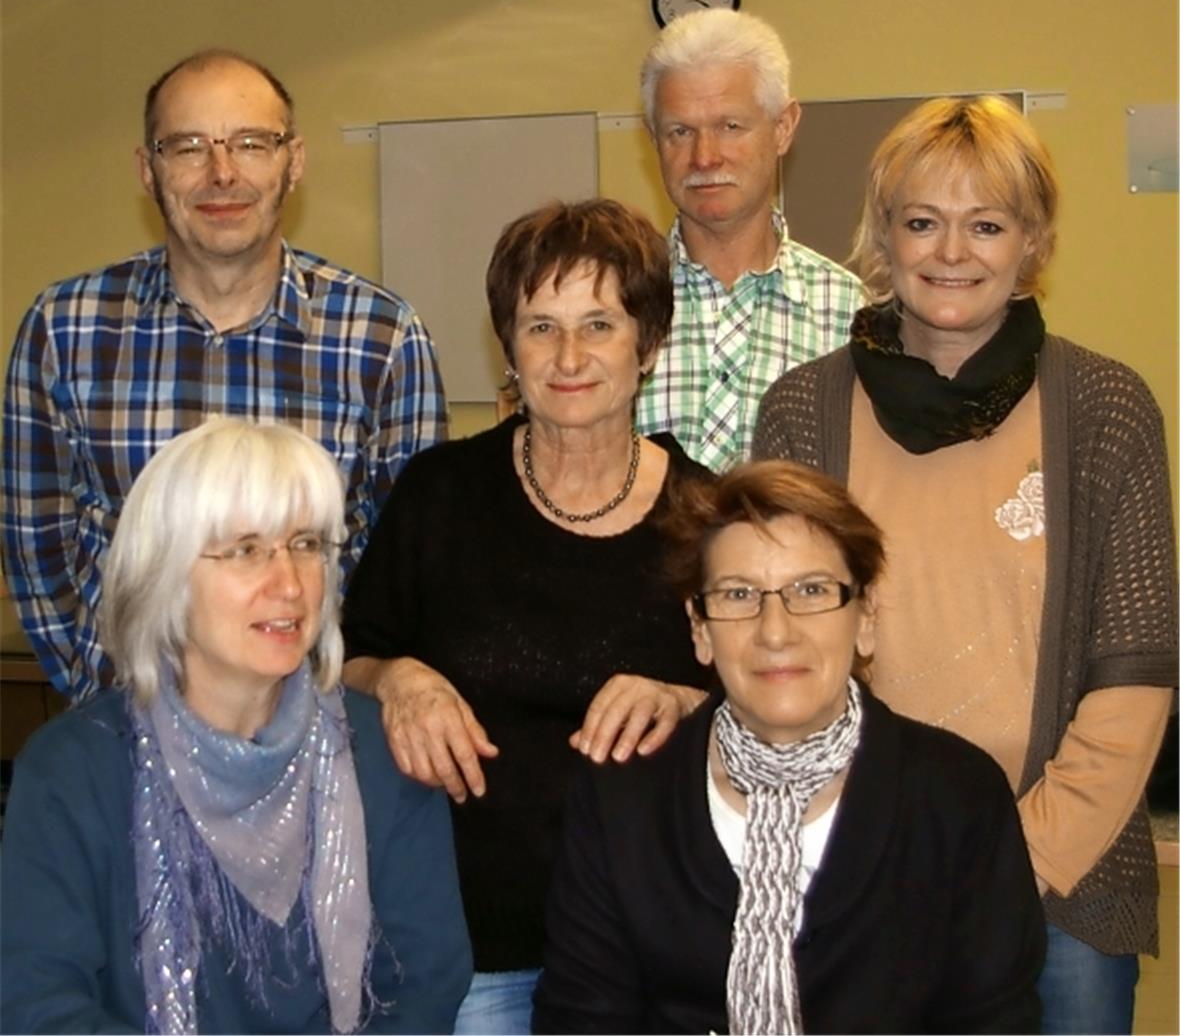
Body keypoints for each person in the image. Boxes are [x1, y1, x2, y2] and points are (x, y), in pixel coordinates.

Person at [752, 95, 1178, 1034]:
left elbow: (1138, 666)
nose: (952, 252)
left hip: (1063, 883)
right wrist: (865, 851)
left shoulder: (1106, 408)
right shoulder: (800, 414)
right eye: (922, 222)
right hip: (856, 874)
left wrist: (1004, 859)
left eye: (986, 224)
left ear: (1032, 243)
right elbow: (773, 650)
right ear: (883, 236)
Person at [342, 199, 712, 1034]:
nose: (570, 356)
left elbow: (768, 706)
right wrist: (397, 678)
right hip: (472, 947)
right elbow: (346, 654)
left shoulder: (711, 516)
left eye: (599, 324)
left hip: (651, 948)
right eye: (540, 326)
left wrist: (688, 701)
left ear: (648, 342)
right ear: (508, 344)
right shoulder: (439, 496)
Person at [533, 460, 1045, 1034]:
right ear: (700, 629)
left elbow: (993, 1022)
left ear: (866, 616)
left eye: (811, 590)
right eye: (738, 594)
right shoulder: (620, 799)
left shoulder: (958, 797)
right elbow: (581, 1020)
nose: (775, 631)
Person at [1, 48, 446, 702]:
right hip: (125, 729)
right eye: (187, 147)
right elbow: (38, 548)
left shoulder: (382, 338)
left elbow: (409, 565)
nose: (222, 173)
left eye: (251, 144)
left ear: (293, 162)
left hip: (320, 730)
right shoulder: (64, 331)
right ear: (147, 171)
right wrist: (114, 699)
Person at [0, 418, 472, 1034]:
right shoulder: (71, 770)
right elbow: (38, 1004)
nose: (289, 583)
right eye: (247, 550)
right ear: (164, 575)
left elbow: (424, 986)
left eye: (306, 544)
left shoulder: (384, 753)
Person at [633, 9, 862, 472]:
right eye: (680, 132)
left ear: (783, 128)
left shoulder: (850, 314)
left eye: (730, 127)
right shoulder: (618, 301)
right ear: (653, 139)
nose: (704, 156)